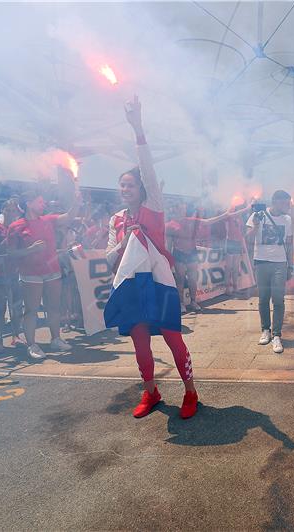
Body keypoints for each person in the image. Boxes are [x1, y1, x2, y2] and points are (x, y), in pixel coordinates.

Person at [103, 95, 198, 419]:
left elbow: (147, 167)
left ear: (142, 188)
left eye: (129, 184)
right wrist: (121, 245)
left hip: (159, 285)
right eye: (121, 185)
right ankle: (151, 392)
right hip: (131, 288)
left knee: (173, 340)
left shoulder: (153, 206)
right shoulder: (115, 219)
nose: (124, 189)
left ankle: (190, 392)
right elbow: (108, 257)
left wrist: (138, 127)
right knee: (140, 345)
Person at [7, 188, 80, 359]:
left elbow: (68, 216)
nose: (43, 205)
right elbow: (11, 253)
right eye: (40, 202)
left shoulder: (48, 219)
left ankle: (56, 339)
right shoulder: (15, 226)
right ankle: (32, 344)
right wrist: (30, 250)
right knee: (31, 310)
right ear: (28, 204)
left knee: (53, 307)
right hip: (30, 274)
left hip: (52, 271)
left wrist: (77, 202)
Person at [246, 190, 294, 354]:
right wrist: (257, 225)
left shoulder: (288, 219)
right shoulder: (258, 215)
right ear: (275, 201)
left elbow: (290, 244)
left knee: (279, 299)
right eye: (285, 203)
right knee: (263, 299)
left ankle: (276, 335)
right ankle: (265, 330)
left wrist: (291, 266)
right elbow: (247, 237)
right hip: (261, 261)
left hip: (280, 263)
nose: (288, 206)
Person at [0, 199, 24, 346]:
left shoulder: (18, 228)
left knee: (17, 307)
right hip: (0, 273)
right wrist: (9, 237)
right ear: (2, 210)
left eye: (14, 210)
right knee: (0, 308)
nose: (11, 213)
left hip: (16, 271)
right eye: (8, 210)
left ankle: (16, 337)